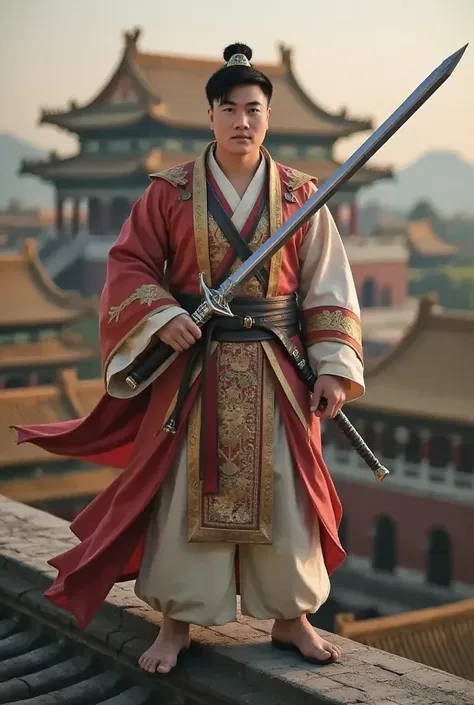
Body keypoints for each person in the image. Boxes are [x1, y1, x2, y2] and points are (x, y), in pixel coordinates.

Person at [14, 42, 365, 675]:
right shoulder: (169, 192)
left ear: (268, 116)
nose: (241, 121)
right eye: (228, 109)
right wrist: (161, 313)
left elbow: (327, 285)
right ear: (208, 115)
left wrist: (335, 365)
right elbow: (129, 266)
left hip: (279, 368)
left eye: (253, 109)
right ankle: (177, 621)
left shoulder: (301, 197)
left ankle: (291, 617)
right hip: (194, 369)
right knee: (183, 491)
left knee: (286, 492)